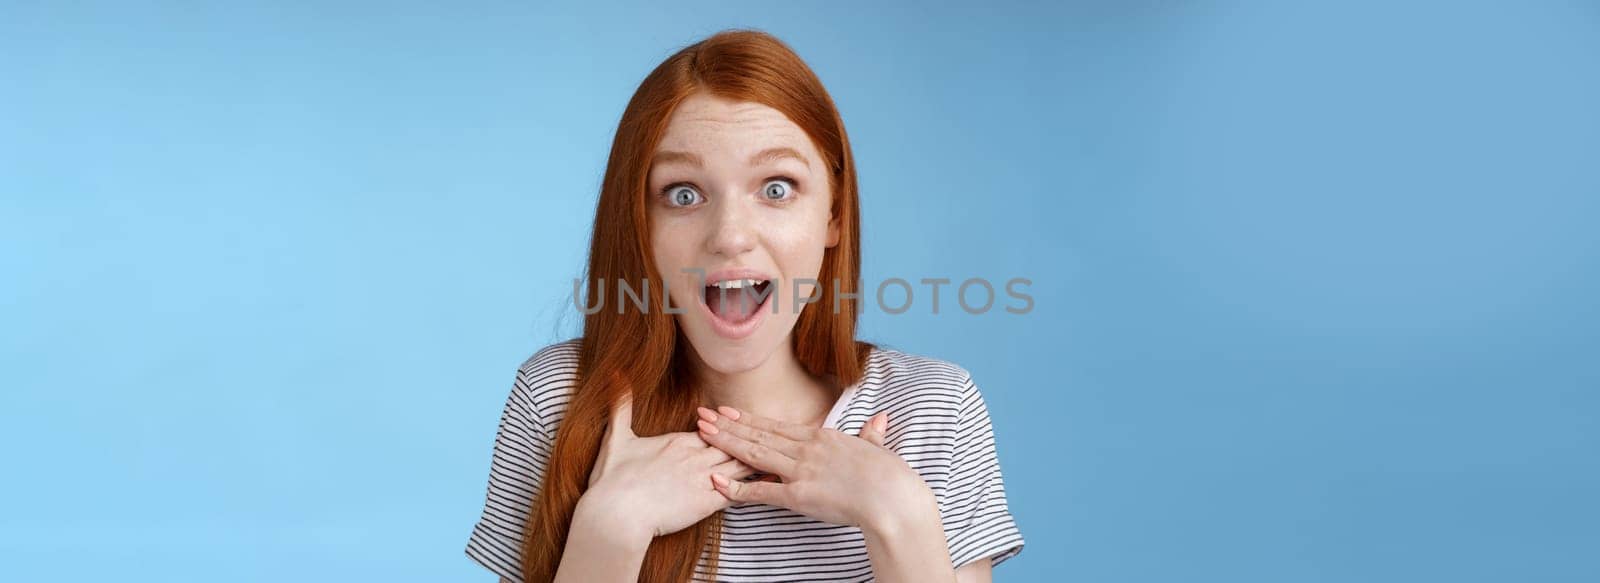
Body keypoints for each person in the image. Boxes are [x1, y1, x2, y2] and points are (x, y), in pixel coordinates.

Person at [465, 28, 1024, 582]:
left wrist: (900, 518)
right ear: (639, 222)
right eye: (683, 193)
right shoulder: (559, 398)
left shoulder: (935, 411)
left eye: (776, 188)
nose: (730, 236)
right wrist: (612, 525)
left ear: (832, 215)